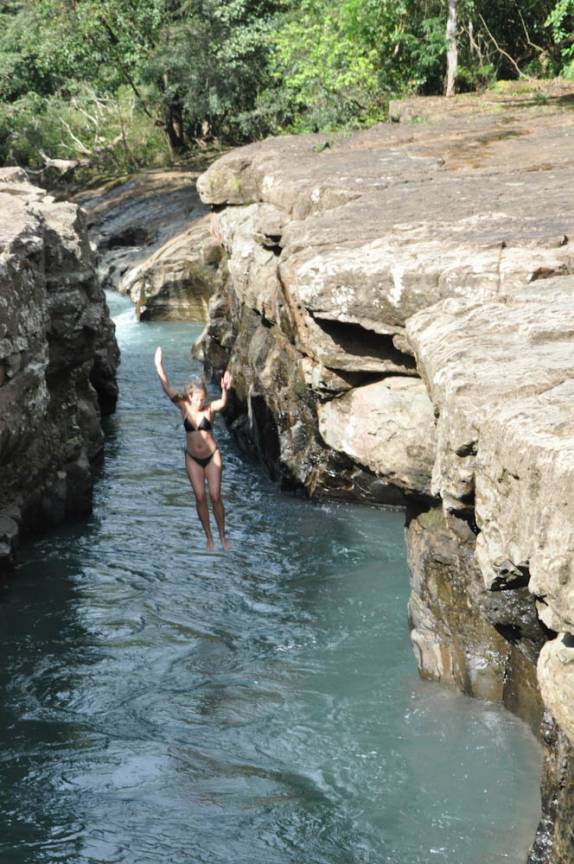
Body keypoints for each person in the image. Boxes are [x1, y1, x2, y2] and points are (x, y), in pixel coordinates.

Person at [154, 346, 232, 551]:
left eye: (203, 398)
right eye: (198, 399)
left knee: (215, 495)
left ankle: (222, 535)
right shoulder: (183, 406)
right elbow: (167, 387)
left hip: (212, 456)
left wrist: (225, 389)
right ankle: (209, 538)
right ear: (189, 397)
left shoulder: (209, 409)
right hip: (192, 458)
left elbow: (223, 403)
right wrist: (158, 366)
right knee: (199, 496)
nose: (201, 402)